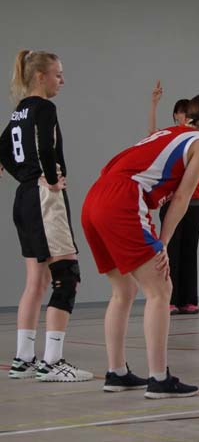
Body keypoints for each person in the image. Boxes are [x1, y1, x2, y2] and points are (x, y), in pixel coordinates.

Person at [81, 93, 199, 397]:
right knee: (161, 289)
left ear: (187, 117)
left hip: (94, 198)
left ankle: (116, 373)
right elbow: (182, 197)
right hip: (122, 198)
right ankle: (159, 379)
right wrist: (163, 243)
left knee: (124, 290)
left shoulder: (167, 132)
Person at [0, 50, 92, 382]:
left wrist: (25, 176)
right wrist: (50, 179)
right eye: (58, 74)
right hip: (44, 199)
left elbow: (2, 149)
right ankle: (52, 362)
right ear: (41, 76)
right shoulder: (44, 108)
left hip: (25, 198)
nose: (62, 80)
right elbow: (46, 149)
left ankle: (23, 359)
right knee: (67, 276)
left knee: (35, 283)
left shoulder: (19, 111)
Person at [148, 82, 199, 315]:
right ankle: (170, 299)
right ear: (176, 115)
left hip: (194, 202)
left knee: (189, 251)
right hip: (172, 202)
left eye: (189, 112)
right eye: (182, 112)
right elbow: (152, 137)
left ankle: (188, 300)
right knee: (171, 251)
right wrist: (154, 105)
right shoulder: (171, 139)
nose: (185, 116)